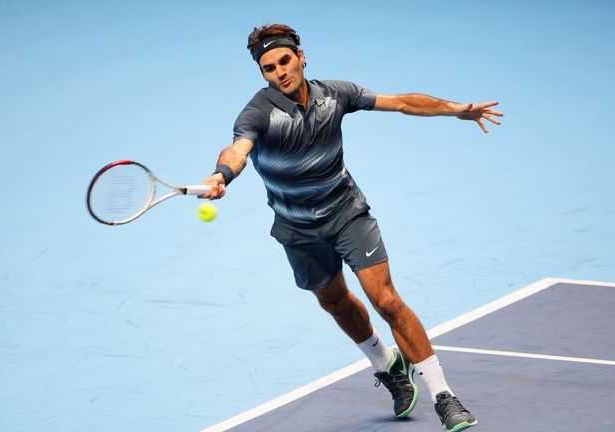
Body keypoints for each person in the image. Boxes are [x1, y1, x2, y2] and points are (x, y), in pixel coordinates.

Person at [202, 24, 501, 432]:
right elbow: (238, 149)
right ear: (264, 74)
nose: (280, 72)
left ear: (301, 56)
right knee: (335, 302)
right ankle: (387, 365)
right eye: (269, 68)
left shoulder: (335, 94)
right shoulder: (257, 113)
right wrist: (223, 174)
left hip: (346, 212)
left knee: (387, 300)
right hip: (297, 228)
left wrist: (455, 110)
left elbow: (400, 103)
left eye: (285, 61)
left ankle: (443, 396)